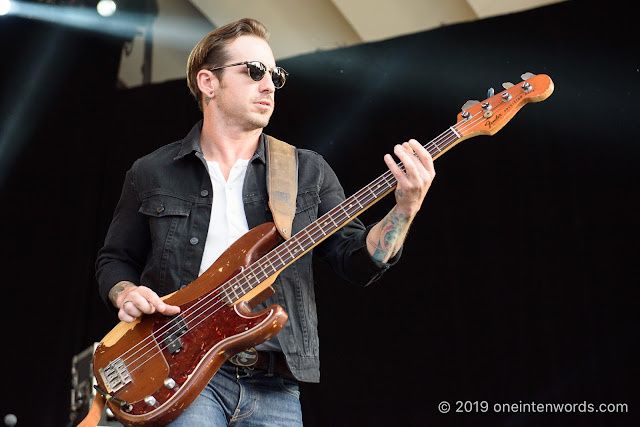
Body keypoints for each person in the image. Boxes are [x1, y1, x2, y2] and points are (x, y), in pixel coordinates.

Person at [96, 17, 435, 426]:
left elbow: (357, 262)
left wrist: (405, 209)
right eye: (254, 71)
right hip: (180, 371)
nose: (269, 84)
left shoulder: (305, 171)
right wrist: (126, 293)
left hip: (274, 384)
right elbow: (114, 259)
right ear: (208, 82)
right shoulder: (151, 172)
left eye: (275, 74)